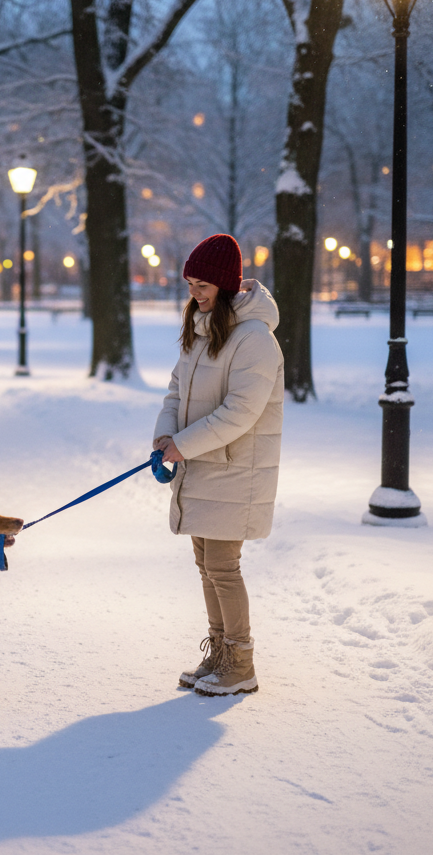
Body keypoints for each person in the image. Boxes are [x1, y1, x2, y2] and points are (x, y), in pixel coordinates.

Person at [152, 233, 284, 697]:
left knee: (224, 567)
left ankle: (241, 662)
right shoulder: (201, 329)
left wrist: (183, 445)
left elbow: (240, 412)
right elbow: (175, 392)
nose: (195, 293)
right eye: (190, 284)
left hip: (235, 469)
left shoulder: (254, 339)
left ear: (225, 285)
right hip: (200, 464)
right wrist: (165, 437)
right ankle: (220, 653)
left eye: (203, 285)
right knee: (206, 564)